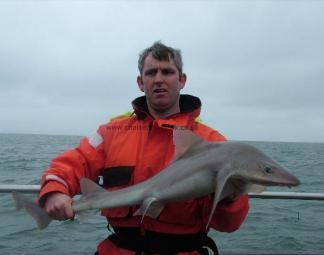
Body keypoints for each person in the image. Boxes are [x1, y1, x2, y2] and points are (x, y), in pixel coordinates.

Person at [38, 41, 249, 255]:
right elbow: (74, 162)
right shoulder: (111, 132)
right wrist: (54, 191)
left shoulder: (211, 142)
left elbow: (229, 224)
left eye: (167, 72)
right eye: (151, 73)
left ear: (182, 80)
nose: (158, 79)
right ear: (140, 82)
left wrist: (230, 196)